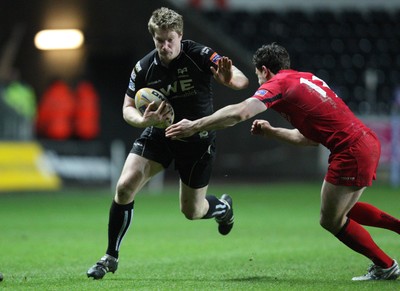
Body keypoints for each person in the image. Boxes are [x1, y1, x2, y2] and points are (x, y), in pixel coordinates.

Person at [165, 43, 400, 281]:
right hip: (365, 141)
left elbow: (240, 112)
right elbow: (308, 139)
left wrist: (194, 125)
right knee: (342, 210)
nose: (259, 83)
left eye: (258, 77)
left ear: (265, 70)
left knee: (330, 219)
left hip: (350, 150)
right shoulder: (305, 79)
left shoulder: (278, 84)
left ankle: (385, 265)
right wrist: (272, 131)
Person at [86, 7, 249, 280]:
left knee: (192, 211)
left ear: (180, 35)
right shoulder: (143, 67)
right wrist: (141, 120)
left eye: (170, 39)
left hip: (197, 139)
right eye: (159, 40)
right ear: (153, 38)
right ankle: (109, 257)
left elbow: (242, 80)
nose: (165, 46)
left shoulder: (199, 54)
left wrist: (228, 79)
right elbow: (127, 107)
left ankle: (224, 208)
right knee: (125, 186)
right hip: (160, 134)